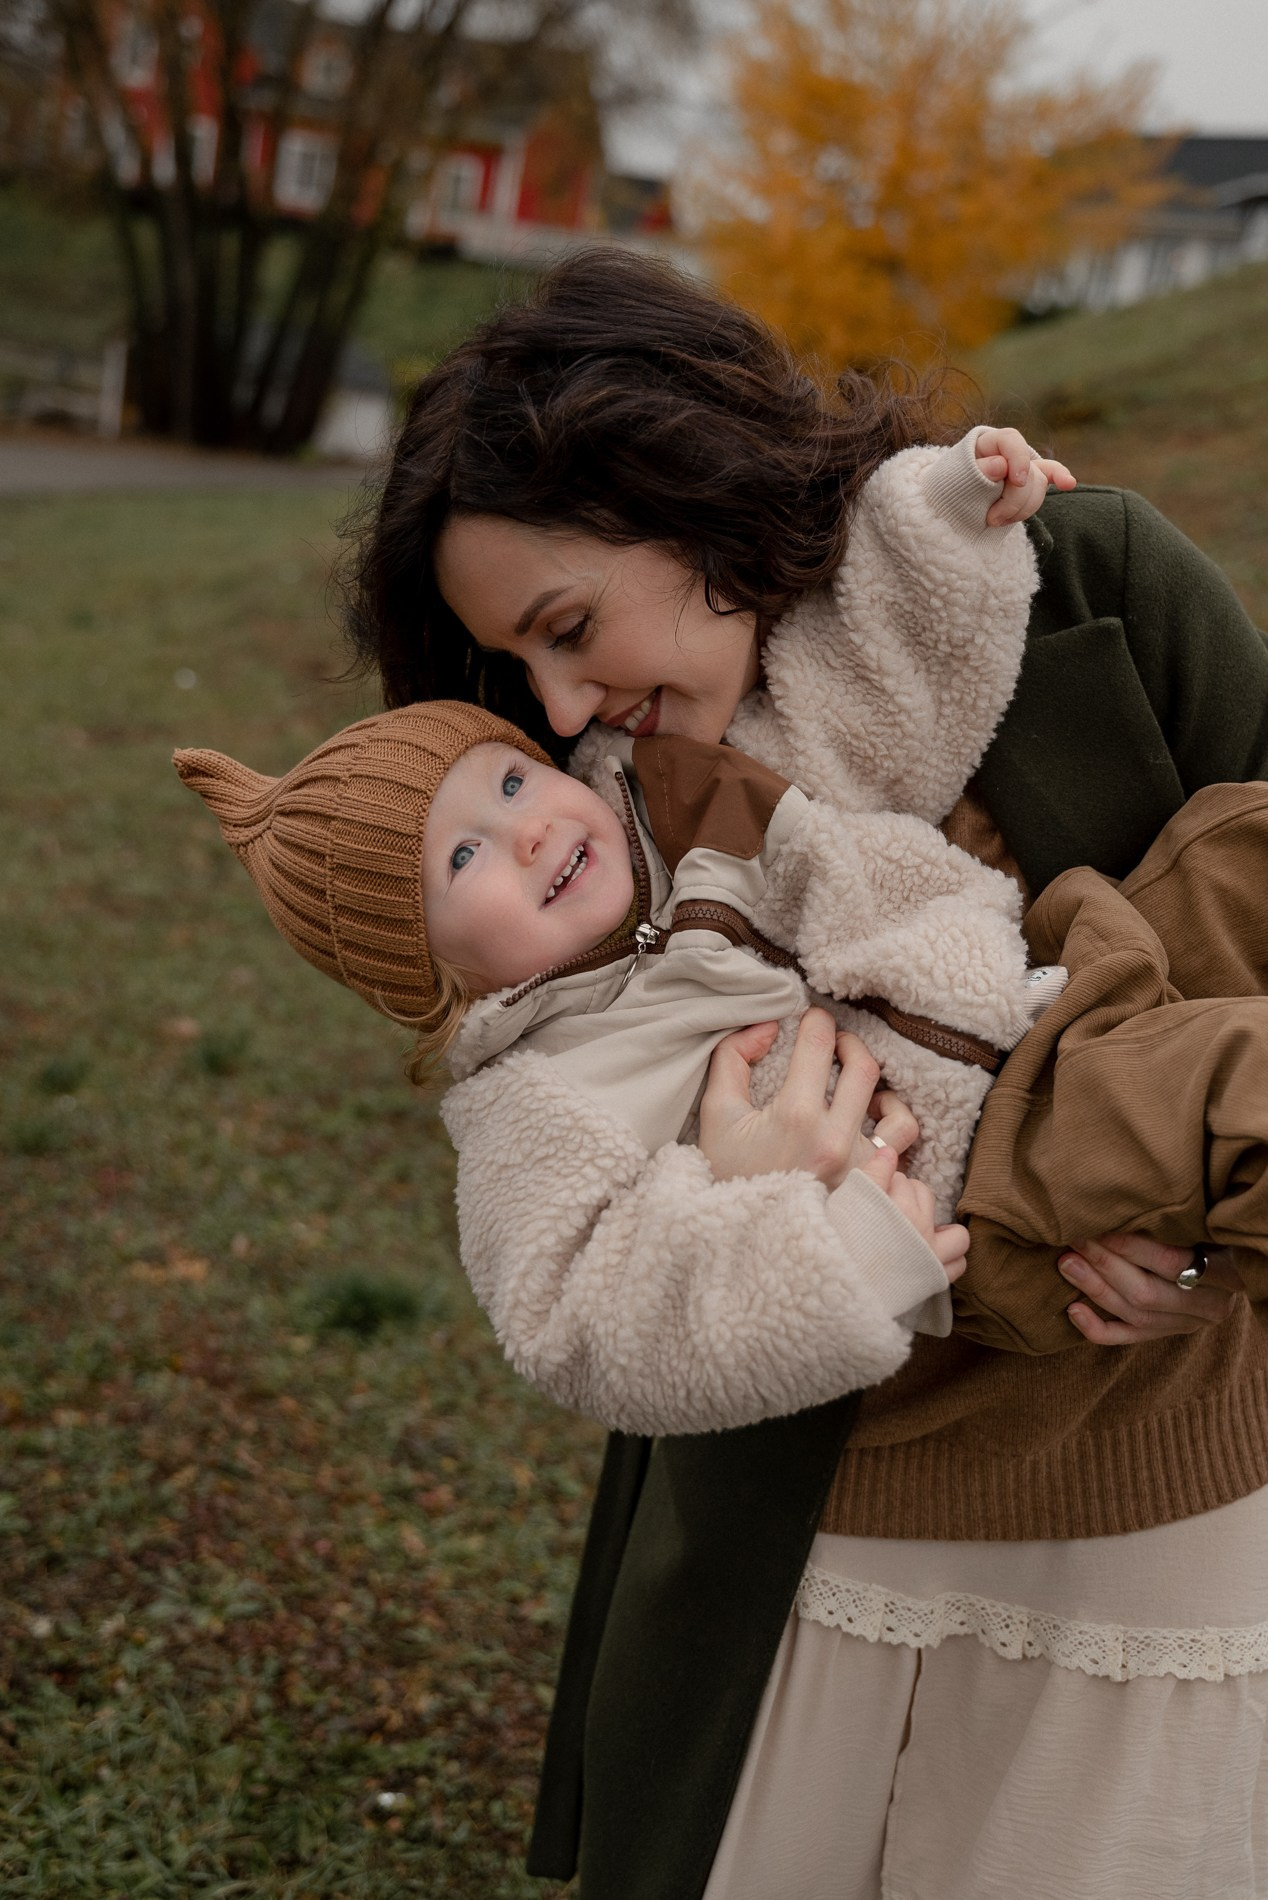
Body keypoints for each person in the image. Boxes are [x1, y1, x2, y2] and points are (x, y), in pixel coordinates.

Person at [341, 251, 1268, 1899]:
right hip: (822, 1529)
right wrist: (753, 1184)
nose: (561, 706)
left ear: (687, 497)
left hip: (1159, 1496)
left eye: (569, 628)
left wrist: (1222, 1254)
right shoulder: (580, 833)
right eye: (518, 672)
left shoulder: (1081, 583)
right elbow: (581, 1177)